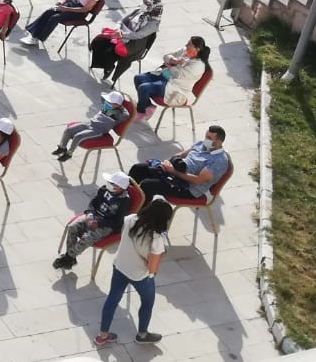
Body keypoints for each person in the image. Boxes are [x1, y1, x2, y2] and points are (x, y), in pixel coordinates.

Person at [93, 197, 174, 346]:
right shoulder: (156, 239)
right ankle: (142, 335)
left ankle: (102, 335)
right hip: (139, 276)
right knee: (147, 302)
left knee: (112, 299)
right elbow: (152, 268)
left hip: (120, 265)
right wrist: (159, 256)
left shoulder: (130, 219)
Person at [129, 126, 229, 202]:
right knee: (138, 169)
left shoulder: (219, 161)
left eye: (209, 138)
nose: (205, 140)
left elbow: (197, 180)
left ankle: (139, 212)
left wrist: (173, 171)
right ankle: (125, 195)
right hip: (176, 172)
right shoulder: (202, 144)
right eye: (206, 136)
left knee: (148, 185)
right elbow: (182, 154)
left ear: (219, 142)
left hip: (188, 188)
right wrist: (169, 161)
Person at [90, 0, 164, 84]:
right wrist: (117, 29)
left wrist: (121, 35)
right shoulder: (139, 10)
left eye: (147, 4)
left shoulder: (153, 23)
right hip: (122, 35)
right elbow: (121, 21)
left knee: (110, 51)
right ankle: (106, 66)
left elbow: (138, 35)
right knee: (99, 42)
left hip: (134, 45)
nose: (143, 5)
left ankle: (109, 68)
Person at [131, 36, 210, 117]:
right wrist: (173, 60)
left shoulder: (198, 66)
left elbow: (178, 75)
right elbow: (166, 56)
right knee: (138, 78)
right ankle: (148, 106)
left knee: (143, 88)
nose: (186, 45)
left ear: (197, 49)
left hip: (175, 87)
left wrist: (171, 66)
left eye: (189, 44)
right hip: (165, 76)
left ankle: (141, 112)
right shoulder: (185, 51)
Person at [52, 90, 130, 161]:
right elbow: (102, 94)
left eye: (109, 101)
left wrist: (120, 107)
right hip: (90, 122)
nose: (106, 102)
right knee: (68, 130)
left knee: (78, 136)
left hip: (98, 130)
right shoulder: (106, 103)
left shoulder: (119, 114)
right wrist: (113, 98)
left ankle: (69, 154)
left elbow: (127, 115)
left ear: (117, 105)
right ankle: (62, 148)